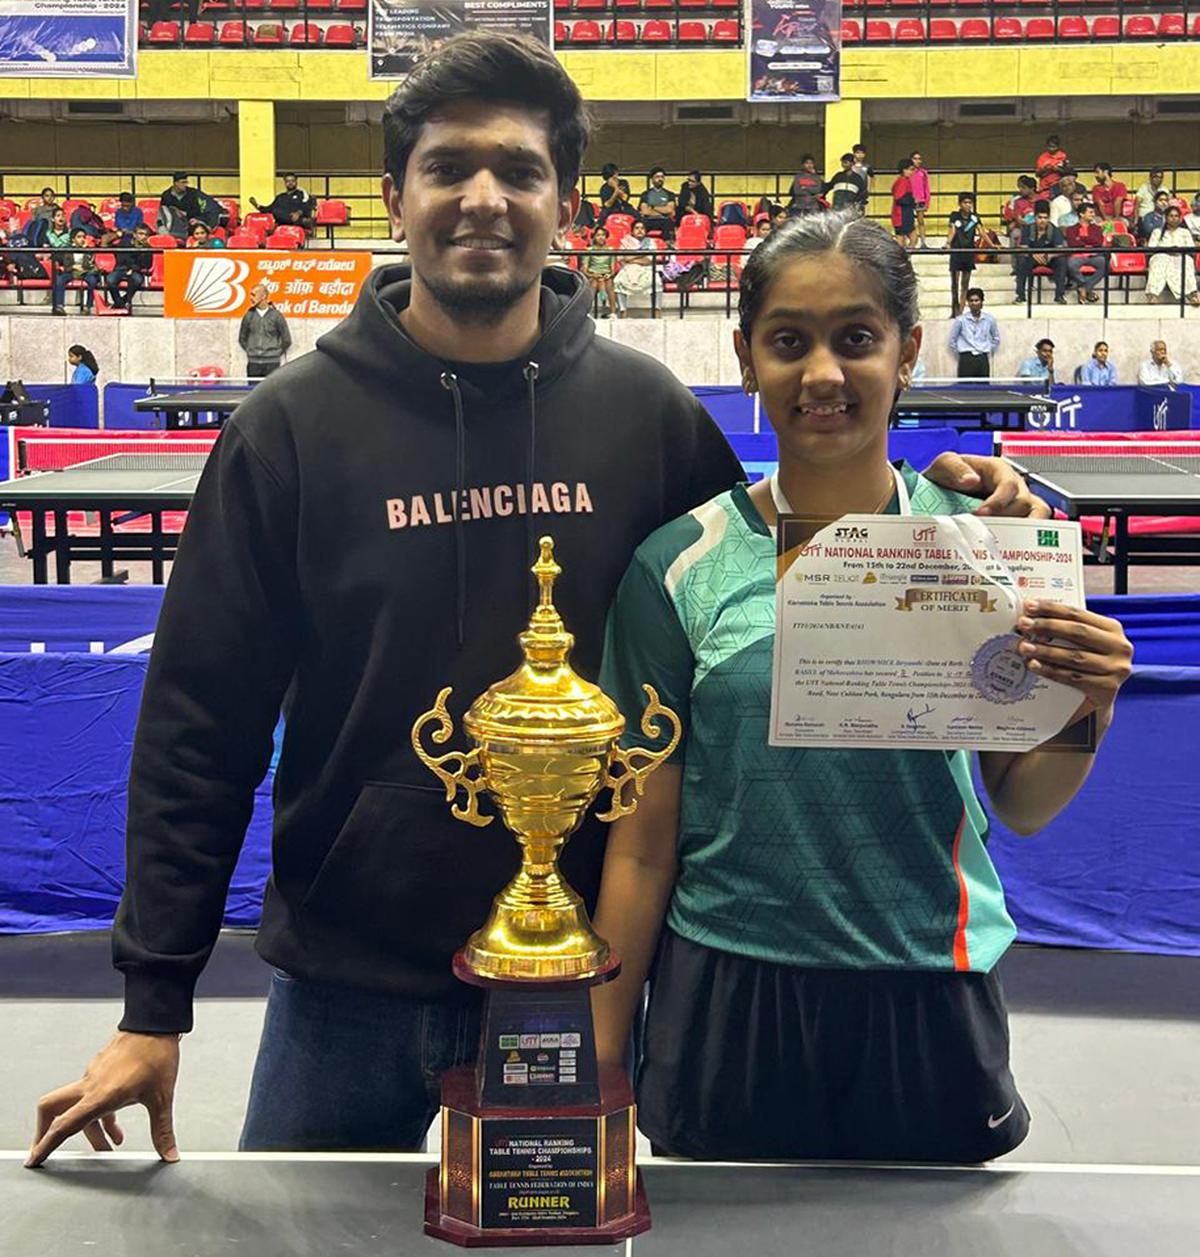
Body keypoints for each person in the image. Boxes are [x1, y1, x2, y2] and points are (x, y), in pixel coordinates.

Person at [24, 32, 1043, 1170]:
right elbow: (197, 726)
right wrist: (151, 1003)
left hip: (581, 979)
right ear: (394, 196)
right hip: (344, 987)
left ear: (564, 203)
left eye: (519, 170)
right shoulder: (287, 431)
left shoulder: (650, 418)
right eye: (448, 167)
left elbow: (774, 595)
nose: (484, 198)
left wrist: (951, 525)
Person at [590, 209, 1133, 1163]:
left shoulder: (991, 542)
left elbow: (1024, 803)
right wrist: (596, 1055)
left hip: (928, 978)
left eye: (856, 339)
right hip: (728, 987)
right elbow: (641, 846)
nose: (824, 374)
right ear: (746, 358)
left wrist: (1091, 703)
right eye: (788, 342)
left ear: (907, 352)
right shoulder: (676, 567)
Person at [1144, 206, 1200, 306]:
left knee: (1187, 261)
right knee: (1158, 261)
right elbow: (1151, 249)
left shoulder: (1185, 232)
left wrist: (1178, 250)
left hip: (1180, 256)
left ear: (1180, 218)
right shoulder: (1157, 232)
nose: (1174, 218)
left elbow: (1191, 249)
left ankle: (1192, 295)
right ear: (1166, 217)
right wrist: (1167, 250)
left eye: (1176, 216)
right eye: (1171, 216)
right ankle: (1153, 295)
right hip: (1162, 256)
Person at [1015, 202, 1066, 304]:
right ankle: (1021, 296)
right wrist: (1033, 254)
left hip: (1049, 258)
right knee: (1021, 261)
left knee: (1061, 261)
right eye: (1040, 217)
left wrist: (1050, 255)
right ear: (1035, 217)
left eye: (1045, 218)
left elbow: (1060, 249)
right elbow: (1023, 247)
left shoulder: (1054, 230)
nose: (1042, 220)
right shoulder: (1027, 229)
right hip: (1032, 257)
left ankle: (1059, 296)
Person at [238, 283, 293, 377]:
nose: (251, 298)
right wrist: (251, 351)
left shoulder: (276, 316)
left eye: (254, 295)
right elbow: (242, 338)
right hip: (253, 363)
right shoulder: (249, 315)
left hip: (272, 364)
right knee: (254, 387)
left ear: (263, 296)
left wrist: (275, 353)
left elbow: (287, 340)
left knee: (272, 387)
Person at [947, 287, 999, 379]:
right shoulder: (961, 320)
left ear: (982, 302)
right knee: (965, 386)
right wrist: (962, 352)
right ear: (968, 303)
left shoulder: (989, 319)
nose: (974, 303)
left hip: (982, 358)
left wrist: (986, 348)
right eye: (971, 301)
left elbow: (996, 338)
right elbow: (952, 340)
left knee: (983, 386)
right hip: (966, 358)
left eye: (976, 300)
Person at [612, 218, 658, 317]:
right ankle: (623, 311)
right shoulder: (625, 242)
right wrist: (641, 254)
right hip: (628, 268)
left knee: (657, 282)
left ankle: (657, 311)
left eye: (642, 228)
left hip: (646, 268)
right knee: (618, 281)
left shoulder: (650, 242)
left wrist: (631, 258)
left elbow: (649, 260)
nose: (640, 230)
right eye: (637, 228)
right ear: (632, 231)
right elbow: (622, 258)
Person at [51, 227, 103, 314]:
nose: (82, 239)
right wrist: (73, 267)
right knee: (60, 280)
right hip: (71, 272)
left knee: (92, 281)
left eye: (83, 237)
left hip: (85, 272)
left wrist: (86, 250)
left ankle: (88, 307)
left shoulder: (89, 250)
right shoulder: (67, 250)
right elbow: (65, 265)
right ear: (73, 239)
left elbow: (90, 265)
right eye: (79, 237)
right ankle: (59, 306)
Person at [1064, 202, 1108, 304]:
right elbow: (1073, 243)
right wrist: (1089, 242)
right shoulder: (1071, 229)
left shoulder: (1097, 229)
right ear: (1081, 214)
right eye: (1090, 212)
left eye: (1093, 212)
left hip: (1094, 255)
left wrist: (1082, 239)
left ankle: (1084, 288)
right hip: (1077, 256)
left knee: (1105, 264)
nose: (1093, 214)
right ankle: (1086, 288)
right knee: (1070, 264)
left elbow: (1098, 242)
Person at [946, 192, 981, 313]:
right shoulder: (954, 216)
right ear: (960, 204)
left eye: (970, 202)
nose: (968, 205)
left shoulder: (975, 217)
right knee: (954, 284)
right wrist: (947, 243)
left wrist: (992, 245)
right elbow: (952, 230)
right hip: (956, 251)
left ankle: (960, 311)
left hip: (969, 252)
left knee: (965, 284)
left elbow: (981, 231)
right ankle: (954, 310)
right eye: (965, 202)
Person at [106, 223, 154, 309]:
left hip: (136, 271)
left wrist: (134, 268)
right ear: (134, 234)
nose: (144, 237)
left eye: (146, 234)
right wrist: (130, 267)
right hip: (121, 269)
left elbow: (148, 264)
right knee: (110, 279)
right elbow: (120, 259)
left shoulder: (148, 248)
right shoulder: (124, 243)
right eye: (141, 234)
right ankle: (119, 302)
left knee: (137, 280)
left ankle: (124, 301)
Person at [250, 173, 316, 234]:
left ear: (296, 181)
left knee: (302, 217)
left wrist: (299, 213)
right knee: (275, 211)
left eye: (292, 181)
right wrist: (257, 206)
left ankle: (301, 221)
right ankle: (298, 221)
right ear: (285, 182)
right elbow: (269, 209)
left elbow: (308, 205)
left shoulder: (302, 193)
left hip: (297, 219)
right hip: (284, 221)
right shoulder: (280, 197)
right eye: (288, 181)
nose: (290, 183)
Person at [582, 223, 616, 316]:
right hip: (593, 275)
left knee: (609, 284)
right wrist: (593, 275)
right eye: (598, 235)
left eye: (603, 235)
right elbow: (585, 270)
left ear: (606, 237)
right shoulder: (589, 250)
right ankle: (588, 312)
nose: (601, 237)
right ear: (594, 237)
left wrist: (609, 275)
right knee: (594, 283)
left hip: (606, 275)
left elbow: (612, 269)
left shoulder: (611, 250)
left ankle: (613, 313)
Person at [637, 167, 675, 238]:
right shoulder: (645, 194)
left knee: (669, 224)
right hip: (649, 220)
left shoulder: (670, 194)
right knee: (641, 225)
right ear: (652, 179)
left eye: (662, 177)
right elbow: (645, 211)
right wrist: (663, 210)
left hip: (664, 220)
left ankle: (666, 244)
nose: (660, 179)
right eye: (657, 177)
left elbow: (669, 210)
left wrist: (652, 207)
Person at [597, 162, 635, 227]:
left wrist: (616, 187)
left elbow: (625, 198)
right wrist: (615, 192)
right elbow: (607, 205)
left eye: (615, 174)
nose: (615, 177)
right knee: (603, 215)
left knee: (636, 214)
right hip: (611, 209)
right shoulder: (604, 188)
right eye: (611, 176)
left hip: (624, 207)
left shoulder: (623, 183)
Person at [890, 158, 916, 249]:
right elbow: (899, 198)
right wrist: (912, 200)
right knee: (902, 240)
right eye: (908, 169)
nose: (910, 172)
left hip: (906, 213)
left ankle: (905, 255)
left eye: (912, 170)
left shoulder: (905, 180)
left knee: (911, 239)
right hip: (901, 214)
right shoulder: (902, 181)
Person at [909, 151, 931, 248]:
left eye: (919, 159)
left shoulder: (923, 172)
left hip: (920, 200)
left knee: (921, 221)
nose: (917, 161)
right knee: (909, 222)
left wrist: (927, 201)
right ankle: (911, 242)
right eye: (915, 158)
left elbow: (926, 187)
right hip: (910, 200)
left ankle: (923, 242)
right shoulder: (908, 172)